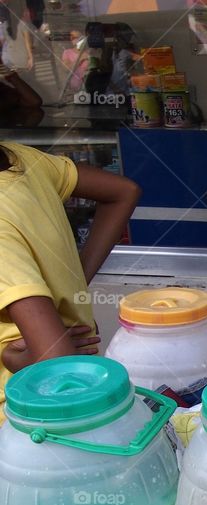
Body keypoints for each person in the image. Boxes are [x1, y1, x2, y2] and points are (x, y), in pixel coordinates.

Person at [0, 143, 141, 421]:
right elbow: (123, 192)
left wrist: (18, 360)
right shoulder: (22, 159)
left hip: (22, 422)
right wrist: (74, 278)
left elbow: (59, 366)